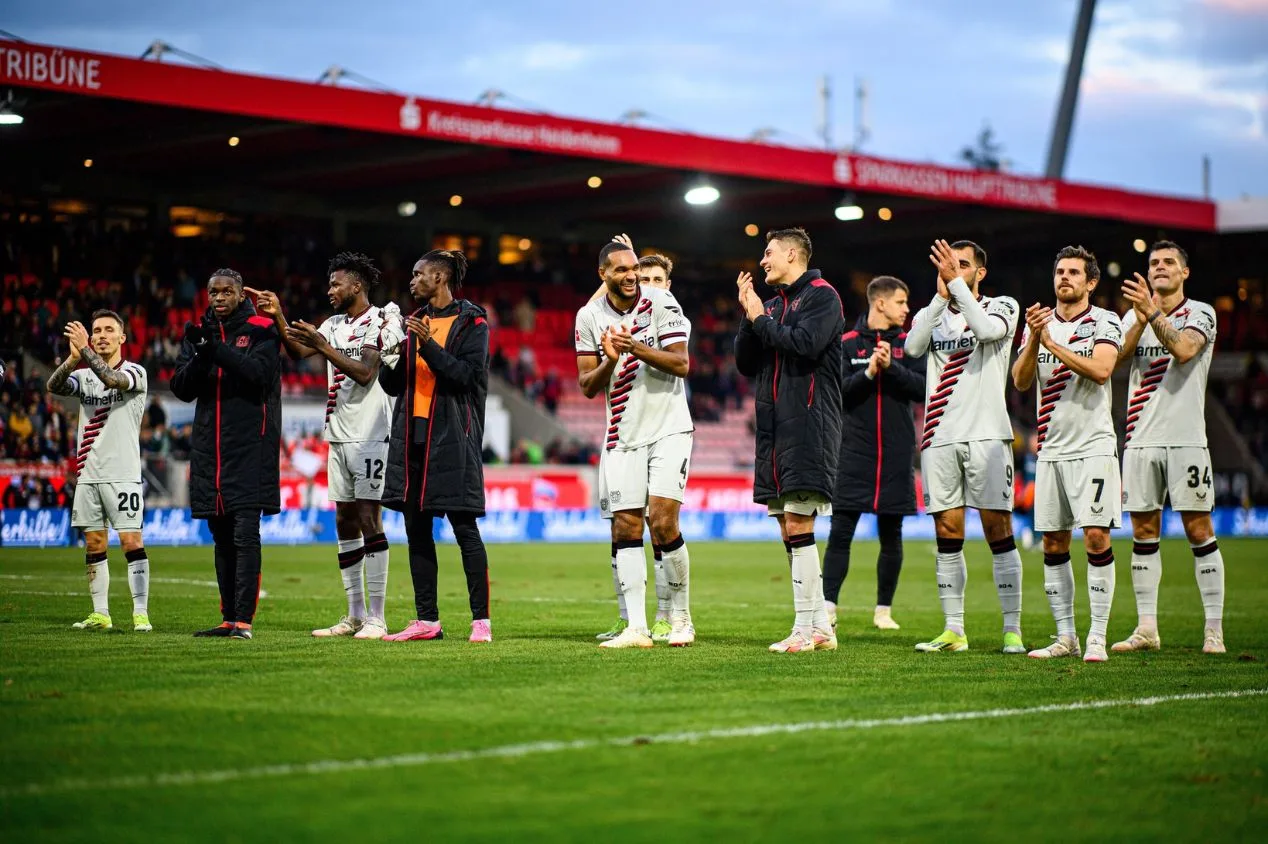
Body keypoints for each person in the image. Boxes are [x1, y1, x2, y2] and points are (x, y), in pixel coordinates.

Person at [249, 253, 398, 641]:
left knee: (369, 519)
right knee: (344, 520)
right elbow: (298, 352)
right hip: (337, 434)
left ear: (357, 285)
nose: (329, 290)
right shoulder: (333, 325)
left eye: (336, 284)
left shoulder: (381, 320)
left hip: (371, 434)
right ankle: (354, 615)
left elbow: (365, 373)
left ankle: (378, 618)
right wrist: (278, 316)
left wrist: (324, 346)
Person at [904, 240, 1025, 654]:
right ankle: (954, 629)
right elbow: (912, 348)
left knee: (998, 529)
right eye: (947, 264)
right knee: (946, 530)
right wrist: (942, 297)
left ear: (980, 272)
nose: (953, 270)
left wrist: (956, 286)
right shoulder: (932, 312)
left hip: (987, 434)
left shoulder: (1002, 306)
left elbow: (988, 332)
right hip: (938, 436)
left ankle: (1012, 629)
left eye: (962, 265)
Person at [576, 236, 695, 649]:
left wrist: (636, 348)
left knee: (662, 522)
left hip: (668, 429)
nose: (631, 276)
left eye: (634, 269)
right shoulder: (589, 316)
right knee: (626, 525)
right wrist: (610, 360)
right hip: (622, 435)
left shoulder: (661, 303)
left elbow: (682, 363)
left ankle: (681, 618)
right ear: (603, 274)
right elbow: (587, 385)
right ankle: (636, 629)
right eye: (622, 270)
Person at [734, 227, 845, 654]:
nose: (762, 261)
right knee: (787, 526)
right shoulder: (773, 304)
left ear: (793, 254)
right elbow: (745, 363)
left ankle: (803, 631)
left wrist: (761, 320)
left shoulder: (822, 296)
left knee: (799, 522)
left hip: (809, 425)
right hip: (774, 429)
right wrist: (749, 317)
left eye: (768, 253)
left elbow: (805, 344)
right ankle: (820, 628)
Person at [1012, 246, 1123, 663]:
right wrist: (1034, 340)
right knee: (1054, 541)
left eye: (1074, 272)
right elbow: (1021, 381)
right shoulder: (1039, 325)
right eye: (1060, 271)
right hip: (1052, 448)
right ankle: (1066, 637)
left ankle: (1097, 636)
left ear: (1090, 282)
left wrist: (1052, 345)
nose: (1064, 277)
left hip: (1093, 446)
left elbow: (1102, 370)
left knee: (1095, 536)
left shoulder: (1105, 321)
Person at [1113, 240, 1225, 654]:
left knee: (1199, 529)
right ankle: (1147, 629)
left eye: (1168, 262)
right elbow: (1116, 360)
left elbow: (1184, 350)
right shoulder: (1134, 315)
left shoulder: (1201, 313)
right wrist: (1140, 317)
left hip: (1186, 440)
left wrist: (1152, 312)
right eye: (1154, 263)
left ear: (1184, 272)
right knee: (1143, 532)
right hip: (1140, 439)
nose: (1160, 267)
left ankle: (1213, 630)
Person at [377, 250, 493, 643]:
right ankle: (427, 620)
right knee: (417, 530)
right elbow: (393, 386)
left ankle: (481, 622)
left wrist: (427, 345)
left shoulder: (472, 321)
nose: (412, 281)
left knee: (465, 529)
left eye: (418, 274)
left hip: (452, 439)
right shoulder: (414, 322)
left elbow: (466, 377)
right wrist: (388, 355)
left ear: (439, 277)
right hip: (412, 438)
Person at [170, 269, 282, 641]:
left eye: (226, 291)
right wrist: (202, 353)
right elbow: (182, 388)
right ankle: (228, 618)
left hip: (250, 448)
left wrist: (213, 348)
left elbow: (258, 374)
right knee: (220, 534)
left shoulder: (261, 328)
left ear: (240, 294)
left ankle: (244, 622)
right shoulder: (199, 333)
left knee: (245, 533)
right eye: (213, 292)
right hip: (209, 450)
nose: (219, 298)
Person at [823, 276, 925, 632]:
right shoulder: (846, 344)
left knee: (892, 534)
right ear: (880, 303)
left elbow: (923, 389)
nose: (907, 309)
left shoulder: (911, 345)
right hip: (853, 452)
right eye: (901, 302)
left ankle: (883, 611)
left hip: (896, 453)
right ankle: (828, 608)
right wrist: (868, 372)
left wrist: (892, 368)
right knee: (841, 532)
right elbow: (836, 394)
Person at [45, 310, 153, 633]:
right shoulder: (84, 376)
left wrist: (85, 351)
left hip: (123, 474)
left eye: (109, 330)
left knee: (131, 541)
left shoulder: (135, 372)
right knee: (94, 543)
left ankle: (141, 613)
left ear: (122, 338)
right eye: (96, 331)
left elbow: (112, 380)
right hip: (88, 474)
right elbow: (53, 385)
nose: (102, 335)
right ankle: (101, 613)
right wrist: (72, 358)